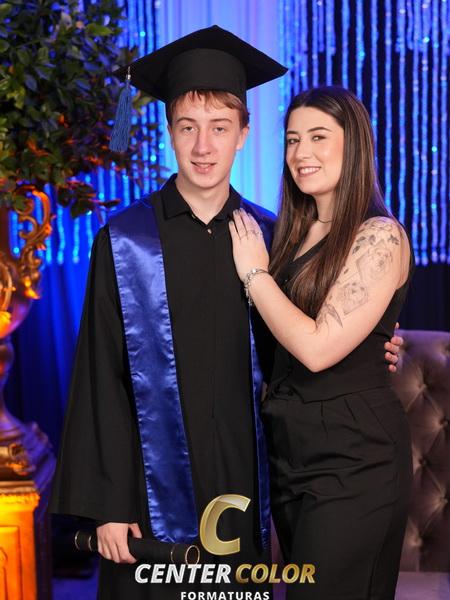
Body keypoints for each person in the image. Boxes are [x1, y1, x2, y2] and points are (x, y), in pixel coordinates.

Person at [50, 29, 402, 599]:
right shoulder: (125, 241)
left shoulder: (274, 238)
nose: (203, 147)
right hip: (148, 493)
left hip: (247, 482)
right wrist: (108, 505)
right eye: (187, 127)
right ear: (170, 132)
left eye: (219, 128)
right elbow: (100, 377)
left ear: (243, 134)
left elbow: (318, 331)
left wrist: (381, 342)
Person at [229, 86, 413, 599]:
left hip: (355, 457)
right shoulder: (291, 233)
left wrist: (254, 276)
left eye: (317, 137)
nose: (300, 153)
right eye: (292, 140)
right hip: (291, 452)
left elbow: (316, 349)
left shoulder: (380, 234)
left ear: (354, 144)